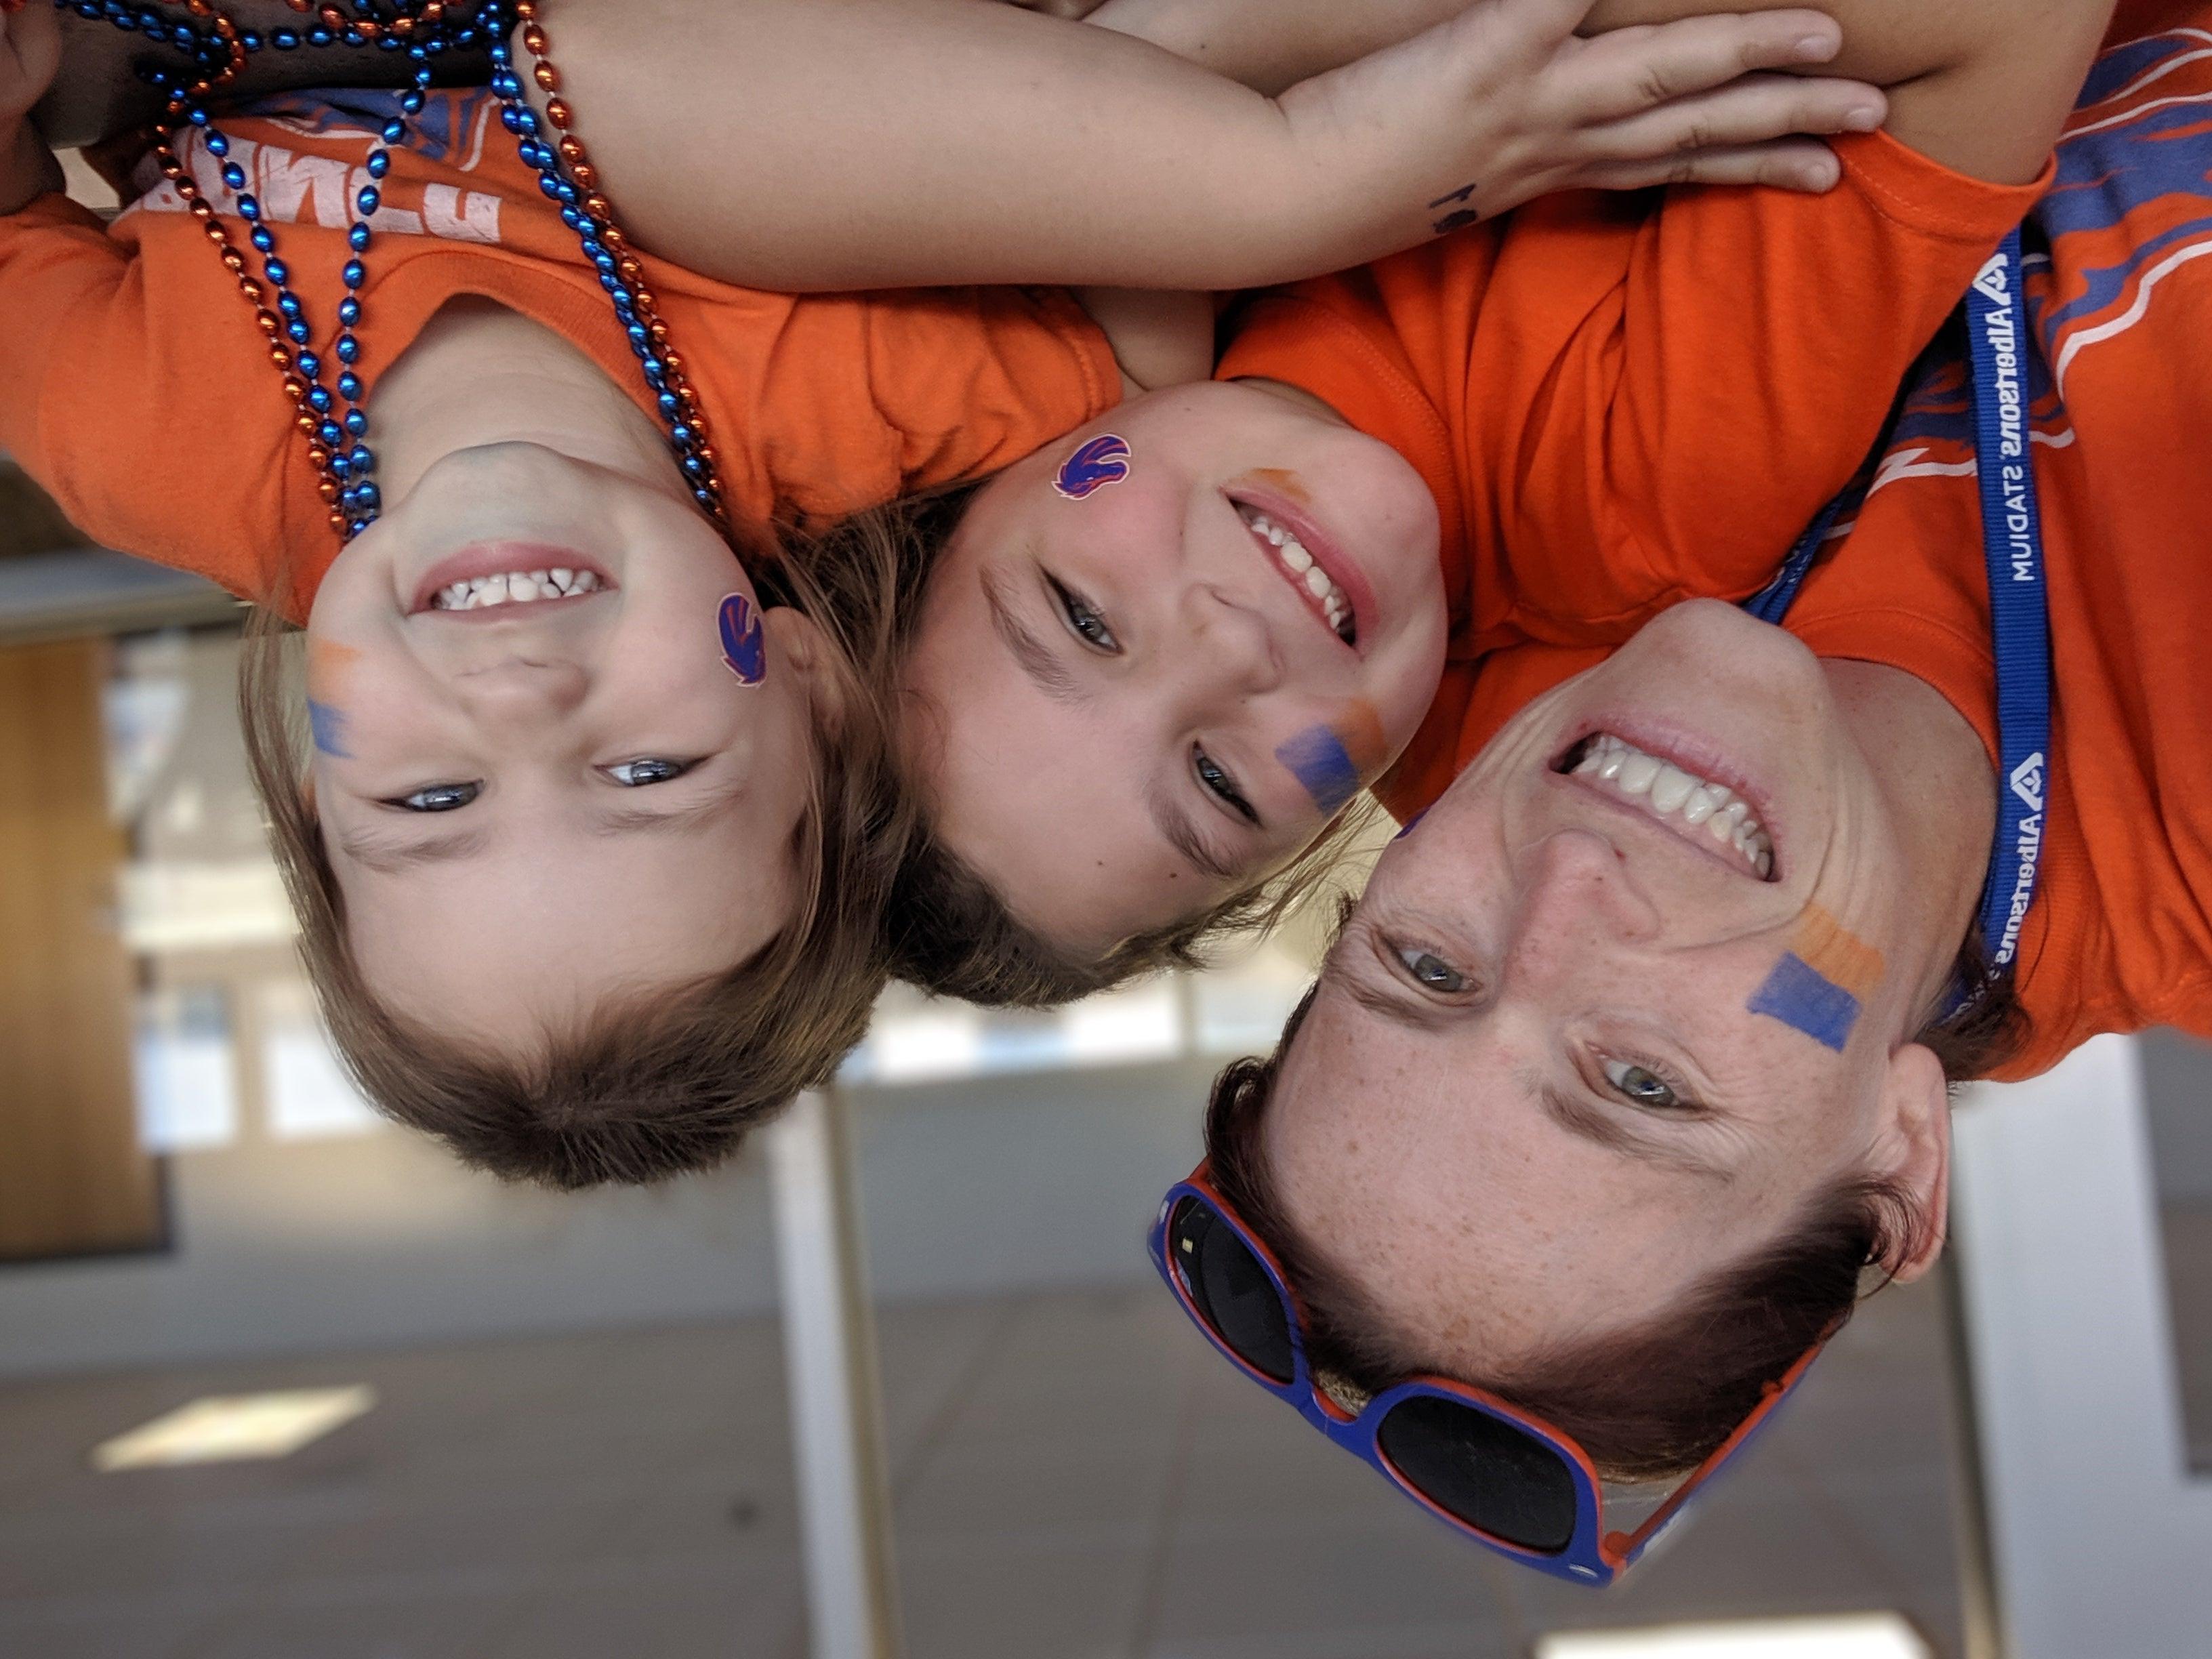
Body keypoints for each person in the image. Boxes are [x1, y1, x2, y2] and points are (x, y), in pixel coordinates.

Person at [0, 0, 1879, 1180]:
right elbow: (1144, 176)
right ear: (807, 687)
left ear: (313, 794)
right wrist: (1295, 184)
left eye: (428, 803)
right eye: (649, 778)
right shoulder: (883, 391)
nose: (519, 709)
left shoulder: (147, 437)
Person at [548, 0, 2094, 1006]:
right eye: (1220, 786)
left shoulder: (1020, 288)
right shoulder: (1627, 490)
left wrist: (1217, 137)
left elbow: (556, 76)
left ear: (974, 482)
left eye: (1080, 618)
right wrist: (1236, 72)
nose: (1226, 647)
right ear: (1321, 840)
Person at [1170, 0, 2203, 1498]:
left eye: (1427, 968)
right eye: (1643, 1081)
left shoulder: (1400, 621)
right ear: (1901, 1162)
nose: (1569, 891)